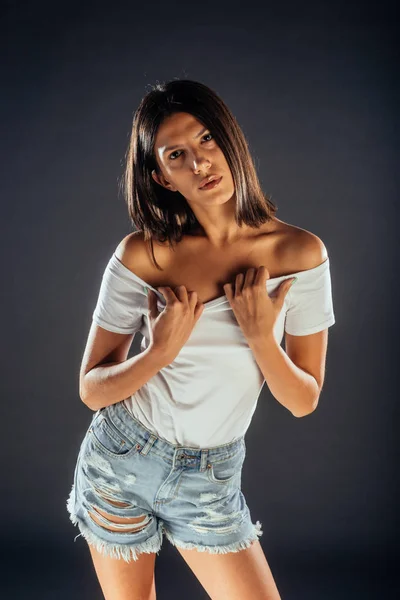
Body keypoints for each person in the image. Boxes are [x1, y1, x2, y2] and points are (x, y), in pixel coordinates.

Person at [66, 78, 335, 600]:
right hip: (121, 458)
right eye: (177, 155)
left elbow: (303, 400)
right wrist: (159, 351)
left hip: (210, 478)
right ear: (161, 176)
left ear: (231, 141)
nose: (201, 163)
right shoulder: (142, 256)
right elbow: (93, 390)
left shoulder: (300, 255)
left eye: (208, 139)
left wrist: (261, 336)